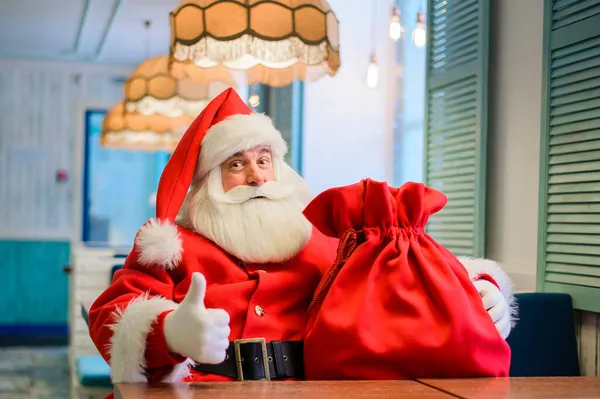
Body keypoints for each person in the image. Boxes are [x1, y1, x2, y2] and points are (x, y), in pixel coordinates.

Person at [88, 88, 516, 386]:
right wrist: (170, 332)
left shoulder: (325, 239)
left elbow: (401, 279)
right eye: (236, 165)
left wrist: (477, 289)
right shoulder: (170, 245)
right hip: (202, 388)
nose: (256, 175)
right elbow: (111, 315)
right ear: (209, 180)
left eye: (263, 159)